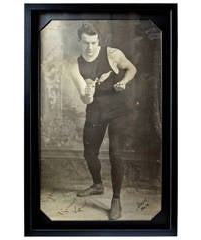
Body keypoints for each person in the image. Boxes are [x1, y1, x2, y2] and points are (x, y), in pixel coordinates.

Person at [70, 23, 137, 220]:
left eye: (93, 42)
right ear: (79, 42)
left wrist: (124, 82)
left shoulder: (113, 54)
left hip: (119, 111)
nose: (90, 47)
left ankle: (116, 199)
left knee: (116, 153)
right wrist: (88, 94)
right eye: (85, 43)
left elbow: (132, 68)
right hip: (96, 110)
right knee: (89, 152)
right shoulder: (75, 65)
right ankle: (97, 184)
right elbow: (85, 98)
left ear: (98, 40)